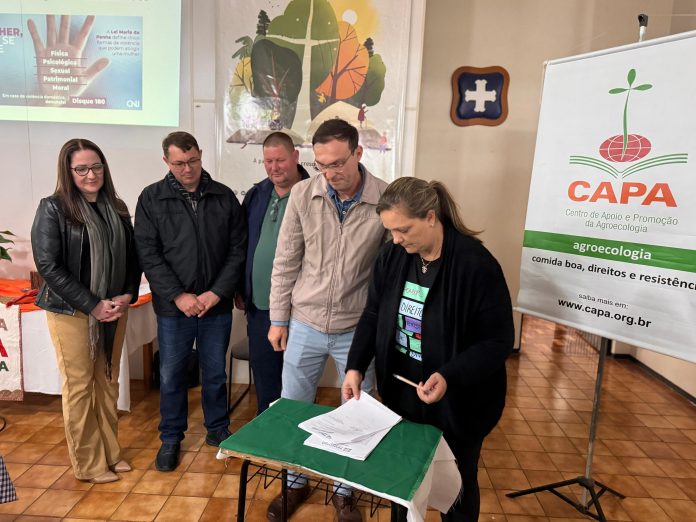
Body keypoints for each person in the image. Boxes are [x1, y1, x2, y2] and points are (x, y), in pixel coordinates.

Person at [342, 177, 514, 522]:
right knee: (402, 478)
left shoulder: (475, 264)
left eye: (403, 229)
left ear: (431, 217)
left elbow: (497, 341)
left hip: (458, 401)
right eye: (391, 231)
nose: (396, 239)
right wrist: (355, 365)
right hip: (403, 393)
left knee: (457, 485)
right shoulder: (393, 255)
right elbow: (373, 313)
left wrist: (449, 376)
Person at [266, 118, 388, 522]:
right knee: (293, 408)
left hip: (357, 328)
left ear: (358, 153)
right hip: (305, 321)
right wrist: (278, 319)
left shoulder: (384, 199)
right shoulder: (304, 194)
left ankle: (344, 492)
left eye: (337, 163)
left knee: (356, 414)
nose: (330, 174)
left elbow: (390, 272)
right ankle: (294, 484)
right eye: (321, 165)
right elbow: (286, 261)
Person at [134, 131, 246, 472]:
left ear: (201, 155)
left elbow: (238, 250)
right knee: (171, 375)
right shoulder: (151, 198)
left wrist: (217, 292)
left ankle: (217, 430)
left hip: (215, 305)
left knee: (214, 372)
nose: (187, 169)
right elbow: (148, 254)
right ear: (166, 161)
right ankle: (171, 437)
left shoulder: (224, 197)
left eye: (193, 160)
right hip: (174, 309)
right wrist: (178, 295)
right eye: (179, 163)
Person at [31, 139, 141, 484]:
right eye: (81, 169)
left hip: (114, 308)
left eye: (96, 167)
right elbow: (48, 266)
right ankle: (89, 463)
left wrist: (127, 294)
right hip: (71, 311)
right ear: (68, 172)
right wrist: (92, 304)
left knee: (107, 381)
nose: (91, 175)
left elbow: (133, 257)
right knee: (79, 387)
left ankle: (111, 452)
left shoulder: (117, 207)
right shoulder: (53, 208)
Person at [235, 132, 309, 414]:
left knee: (296, 383)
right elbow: (242, 243)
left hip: (301, 309)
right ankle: (267, 427)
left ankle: (293, 431)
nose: (274, 167)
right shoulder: (257, 194)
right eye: (268, 161)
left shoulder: (314, 193)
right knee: (265, 378)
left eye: (280, 160)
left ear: (295, 157)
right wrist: (241, 288)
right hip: (259, 306)